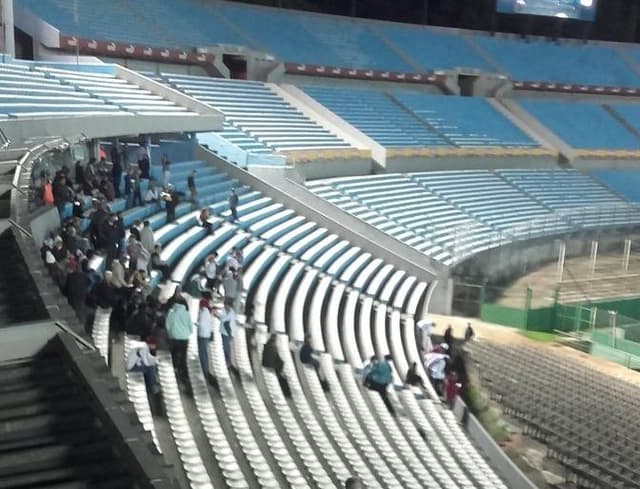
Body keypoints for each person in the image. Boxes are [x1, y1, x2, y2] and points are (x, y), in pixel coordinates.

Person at [166, 300, 192, 384]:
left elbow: (167, 325)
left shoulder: (172, 313)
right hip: (184, 337)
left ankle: (174, 369)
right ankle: (184, 373)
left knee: (174, 354)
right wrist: (188, 333)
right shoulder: (187, 313)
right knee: (183, 355)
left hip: (174, 337)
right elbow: (190, 326)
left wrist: (170, 334)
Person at [197, 292, 215, 374]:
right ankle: (205, 368)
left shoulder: (204, 312)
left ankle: (204, 370)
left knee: (202, 353)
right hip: (206, 334)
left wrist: (196, 323)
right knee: (204, 352)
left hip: (203, 334)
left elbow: (202, 324)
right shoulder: (208, 311)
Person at [215, 300, 236, 367]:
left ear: (229, 305)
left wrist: (217, 316)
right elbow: (222, 317)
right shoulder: (224, 310)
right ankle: (227, 361)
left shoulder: (232, 313)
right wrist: (218, 316)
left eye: (226, 305)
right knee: (225, 346)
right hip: (224, 331)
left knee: (226, 347)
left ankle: (228, 361)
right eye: (224, 304)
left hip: (228, 332)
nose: (225, 306)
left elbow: (223, 319)